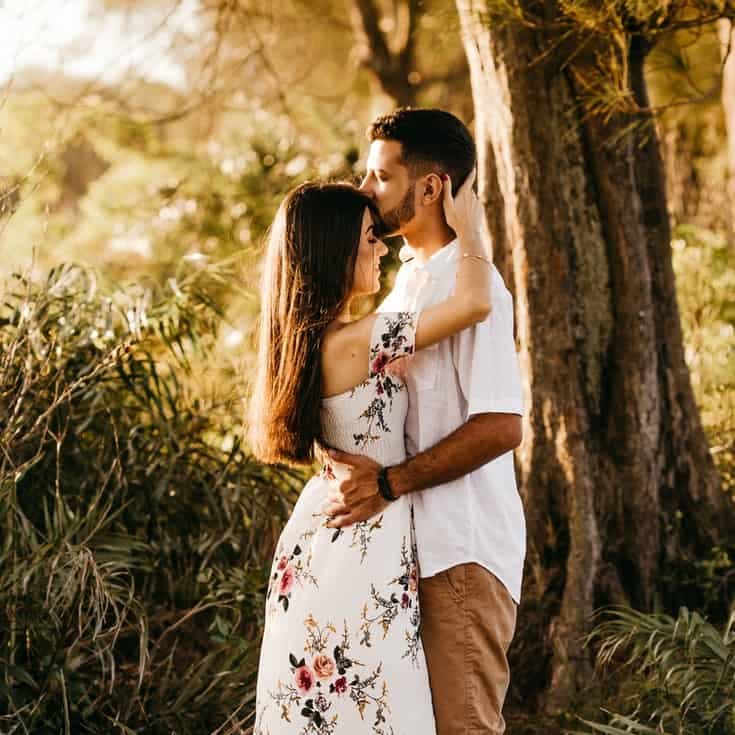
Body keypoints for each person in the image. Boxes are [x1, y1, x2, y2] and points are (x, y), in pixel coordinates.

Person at [250, 176, 492, 734]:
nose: (381, 247)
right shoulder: (362, 339)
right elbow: (476, 302)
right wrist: (471, 229)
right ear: (336, 250)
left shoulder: (306, 342)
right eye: (368, 238)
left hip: (324, 535)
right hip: (362, 541)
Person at [323, 108, 525, 735]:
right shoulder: (404, 287)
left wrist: (389, 483)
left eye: (381, 177)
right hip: (405, 557)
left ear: (432, 188)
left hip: (458, 552)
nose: (364, 191)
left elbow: (501, 427)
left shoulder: (475, 285)